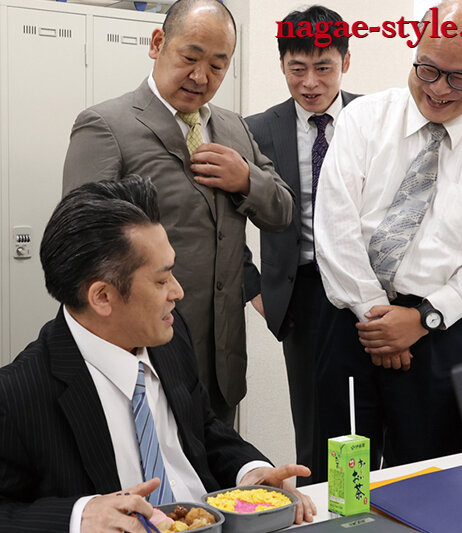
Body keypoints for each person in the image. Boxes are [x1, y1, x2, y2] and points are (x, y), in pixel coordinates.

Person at [0, 176, 315, 533]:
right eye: (161, 280)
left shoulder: (170, 337)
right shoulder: (11, 399)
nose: (178, 292)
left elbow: (202, 429)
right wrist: (79, 517)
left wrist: (250, 472)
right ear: (102, 297)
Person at [314, 0, 462, 470]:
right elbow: (335, 226)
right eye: (428, 69)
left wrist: (422, 320)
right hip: (355, 323)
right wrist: (378, 320)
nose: (437, 89)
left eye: (460, 78)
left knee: (430, 477)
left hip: (444, 332)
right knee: (339, 478)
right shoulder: (363, 118)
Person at [62, 0, 294, 424]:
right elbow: (79, 245)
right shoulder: (107, 125)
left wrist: (246, 179)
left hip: (221, 361)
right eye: (190, 57)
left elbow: (282, 211)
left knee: (220, 464)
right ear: (157, 43)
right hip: (141, 354)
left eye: (218, 66)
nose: (201, 77)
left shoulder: (234, 128)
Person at [243, 5, 358, 485]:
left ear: (345, 61)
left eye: (324, 67)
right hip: (302, 293)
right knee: (315, 421)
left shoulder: (373, 119)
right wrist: (254, 288)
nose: (310, 82)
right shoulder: (255, 130)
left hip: (372, 289)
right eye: (297, 68)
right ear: (282, 65)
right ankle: (322, 509)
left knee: (374, 414)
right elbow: (222, 225)